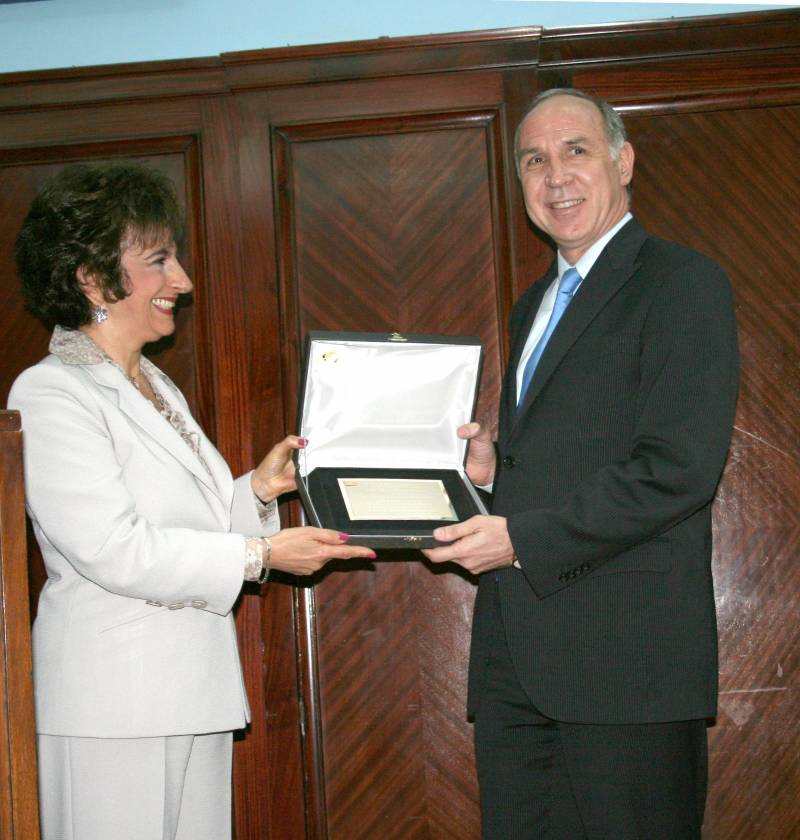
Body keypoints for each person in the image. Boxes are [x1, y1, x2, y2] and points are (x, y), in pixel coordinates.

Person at [7, 162, 375, 840]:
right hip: (111, 707)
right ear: (92, 276)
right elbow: (113, 548)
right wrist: (262, 553)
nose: (182, 280)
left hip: (191, 691)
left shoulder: (157, 388)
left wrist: (256, 492)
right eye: (159, 259)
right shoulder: (50, 392)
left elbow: (186, 528)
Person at [423, 88, 739, 839]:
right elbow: (574, 455)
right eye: (534, 160)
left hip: (626, 667)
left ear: (622, 162)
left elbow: (679, 466)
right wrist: (495, 473)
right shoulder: (532, 305)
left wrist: (520, 539)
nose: (554, 176)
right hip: (516, 668)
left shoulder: (682, 283)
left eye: (576, 151)